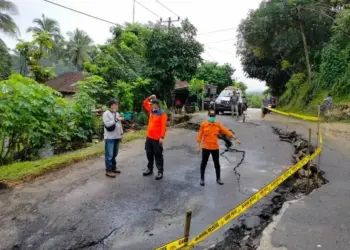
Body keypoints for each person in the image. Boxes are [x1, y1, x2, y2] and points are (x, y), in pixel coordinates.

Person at [196, 110, 241, 186]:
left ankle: (218, 179)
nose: (212, 117)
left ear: (215, 117)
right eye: (211, 116)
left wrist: (235, 139)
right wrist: (198, 146)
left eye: (213, 116)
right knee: (203, 163)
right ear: (208, 116)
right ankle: (202, 179)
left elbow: (226, 131)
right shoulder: (203, 125)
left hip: (215, 148)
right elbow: (199, 136)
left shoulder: (217, 125)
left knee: (217, 164)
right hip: (206, 147)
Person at [143, 95, 168, 180]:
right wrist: (150, 97)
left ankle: (160, 172)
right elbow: (144, 103)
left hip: (157, 138)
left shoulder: (162, 114)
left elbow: (163, 126)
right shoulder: (151, 111)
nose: (150, 105)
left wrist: (162, 137)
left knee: (158, 155)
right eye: (150, 104)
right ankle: (150, 169)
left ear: (156, 104)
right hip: (149, 137)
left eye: (152, 104)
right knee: (148, 153)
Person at [103, 99, 124, 178]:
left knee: (115, 153)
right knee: (109, 154)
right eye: (116, 104)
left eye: (117, 104)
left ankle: (113, 167)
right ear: (112, 105)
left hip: (117, 136)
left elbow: (119, 124)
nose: (117, 106)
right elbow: (108, 124)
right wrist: (116, 119)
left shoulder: (117, 113)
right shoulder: (106, 114)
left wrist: (121, 134)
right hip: (110, 137)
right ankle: (108, 170)